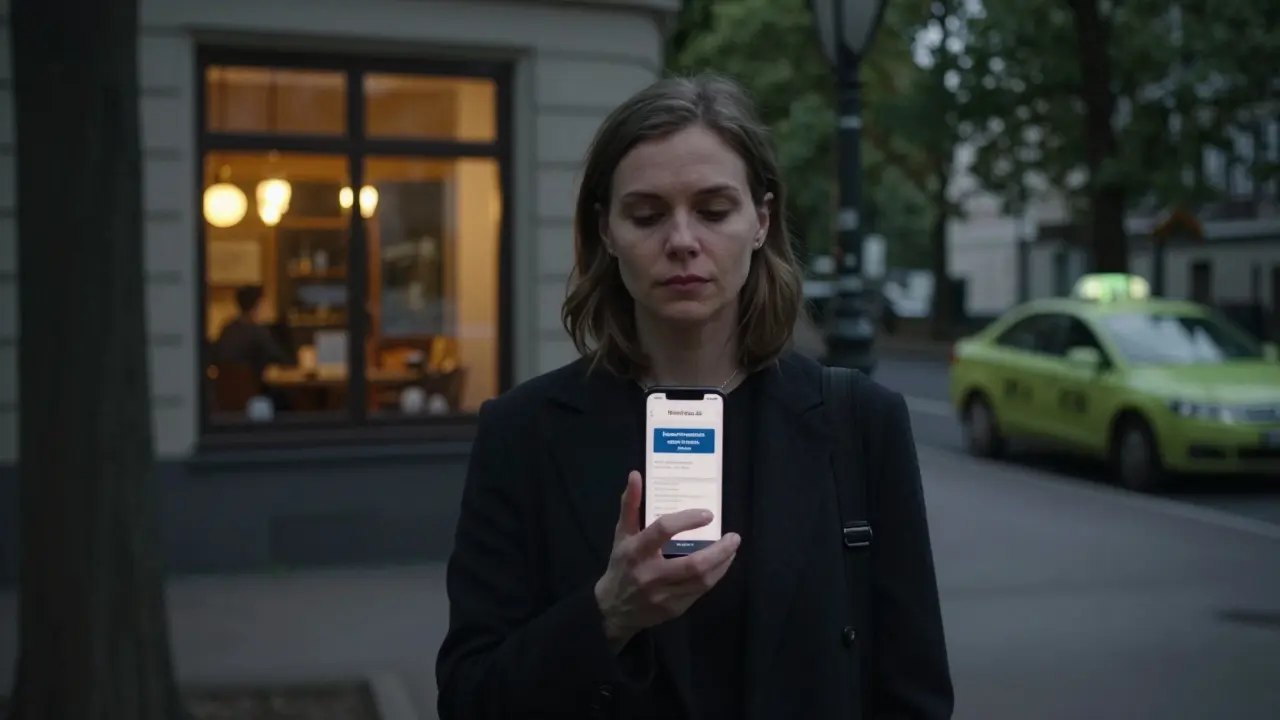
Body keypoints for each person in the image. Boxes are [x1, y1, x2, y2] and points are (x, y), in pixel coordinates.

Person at [435, 73, 953, 719]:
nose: (682, 241)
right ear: (606, 230)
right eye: (647, 215)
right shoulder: (523, 431)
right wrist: (608, 614)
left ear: (761, 220)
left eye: (713, 210)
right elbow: (469, 697)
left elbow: (915, 697)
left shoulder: (860, 423)